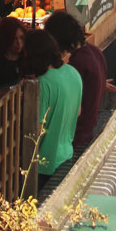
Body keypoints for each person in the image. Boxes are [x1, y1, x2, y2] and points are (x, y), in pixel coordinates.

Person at [44, 10, 116, 149]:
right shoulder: (94, 51)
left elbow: (70, 107)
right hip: (88, 127)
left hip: (76, 135)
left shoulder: (78, 63)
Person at [22, 29, 82, 176]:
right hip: (66, 154)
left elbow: (36, 130)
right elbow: (78, 111)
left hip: (44, 163)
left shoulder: (42, 84)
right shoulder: (73, 72)